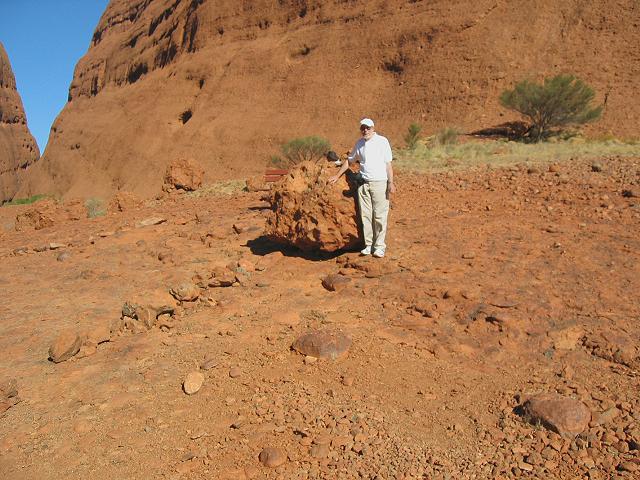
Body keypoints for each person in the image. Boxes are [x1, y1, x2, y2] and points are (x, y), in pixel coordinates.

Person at [329, 118, 396, 258]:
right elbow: (349, 160)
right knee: (366, 216)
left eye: (368, 128)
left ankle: (379, 247)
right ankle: (368, 245)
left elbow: (388, 164)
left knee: (379, 216)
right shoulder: (359, 143)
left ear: (373, 127)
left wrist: (391, 183)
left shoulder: (382, 141)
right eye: (363, 128)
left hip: (380, 182)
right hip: (363, 184)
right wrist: (337, 175)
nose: (365, 130)